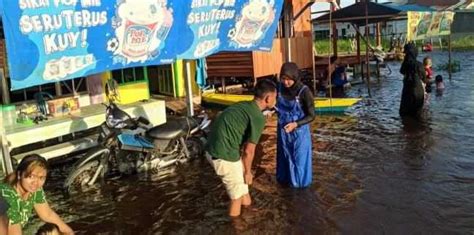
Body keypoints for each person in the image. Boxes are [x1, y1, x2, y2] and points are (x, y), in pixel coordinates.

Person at [205, 79, 277, 217]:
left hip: (213, 148)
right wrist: (248, 172)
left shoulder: (245, 106)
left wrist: (245, 171)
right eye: (275, 97)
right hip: (224, 155)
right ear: (268, 98)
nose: (276, 101)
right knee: (236, 197)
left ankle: (249, 214)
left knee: (243, 189)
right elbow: (249, 151)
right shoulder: (258, 117)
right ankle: (236, 227)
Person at [0, 154, 74, 235]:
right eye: (31, 176)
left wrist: (69, 232)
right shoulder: (7, 196)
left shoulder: (34, 190)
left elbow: (48, 215)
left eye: (41, 178)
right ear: (19, 174)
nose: (36, 182)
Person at [276, 62, 315, 188]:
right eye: (283, 79)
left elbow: (311, 115)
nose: (285, 83)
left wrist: (296, 124)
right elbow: (275, 106)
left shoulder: (304, 91)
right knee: (284, 158)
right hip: (283, 132)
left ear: (295, 77)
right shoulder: (279, 88)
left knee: (299, 162)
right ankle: (285, 184)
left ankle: (300, 189)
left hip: (299, 133)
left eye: (289, 80)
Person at [399, 42, 426, 117]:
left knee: (405, 114)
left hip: (407, 91)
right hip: (418, 91)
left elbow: (401, 71)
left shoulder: (405, 64)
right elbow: (424, 78)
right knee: (417, 114)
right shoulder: (419, 64)